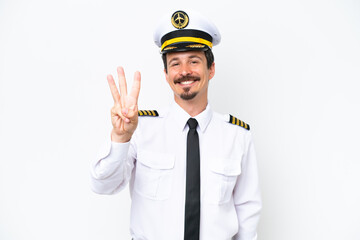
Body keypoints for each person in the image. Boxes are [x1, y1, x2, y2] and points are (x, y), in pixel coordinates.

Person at [90, 9, 261, 240]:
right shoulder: (139, 129)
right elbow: (102, 185)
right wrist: (120, 137)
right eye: (175, 63)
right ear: (166, 73)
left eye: (194, 61)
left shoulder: (237, 136)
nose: (184, 72)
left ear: (211, 69)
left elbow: (247, 211)